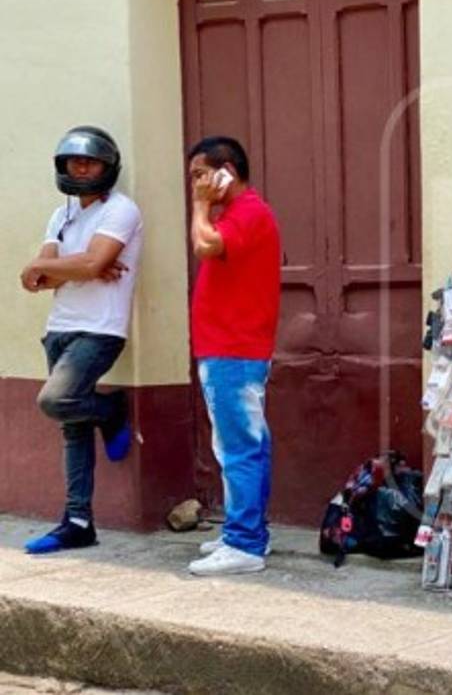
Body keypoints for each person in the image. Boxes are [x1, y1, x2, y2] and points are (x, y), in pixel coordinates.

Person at [19, 126, 143, 554]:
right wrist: (81, 265)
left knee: (55, 400)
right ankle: (78, 522)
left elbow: (93, 262)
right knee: (72, 428)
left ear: (108, 167)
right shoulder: (62, 214)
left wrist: (79, 266)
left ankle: (110, 410)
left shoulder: (121, 210)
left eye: (90, 162)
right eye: (74, 162)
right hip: (59, 327)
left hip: (100, 328)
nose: (82, 169)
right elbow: (35, 277)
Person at [184, 136, 281, 577]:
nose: (195, 186)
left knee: (240, 447)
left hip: (233, 350)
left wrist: (201, 207)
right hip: (229, 349)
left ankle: (243, 544)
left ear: (226, 170)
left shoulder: (248, 212)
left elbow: (204, 246)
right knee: (243, 444)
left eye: (199, 175)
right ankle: (248, 533)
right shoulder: (240, 215)